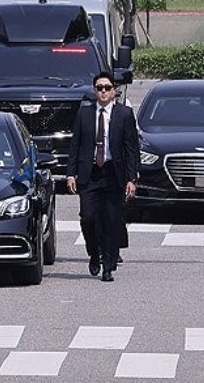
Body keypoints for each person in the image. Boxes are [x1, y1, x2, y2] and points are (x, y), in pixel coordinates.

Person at [66, 71, 140, 283]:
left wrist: (131, 178)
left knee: (111, 219)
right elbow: (75, 146)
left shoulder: (124, 114)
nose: (103, 92)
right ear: (94, 91)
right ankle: (94, 253)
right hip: (90, 174)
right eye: (99, 88)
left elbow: (131, 148)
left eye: (107, 88)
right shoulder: (85, 114)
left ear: (114, 91)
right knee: (88, 217)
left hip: (113, 174)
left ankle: (108, 266)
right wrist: (71, 174)